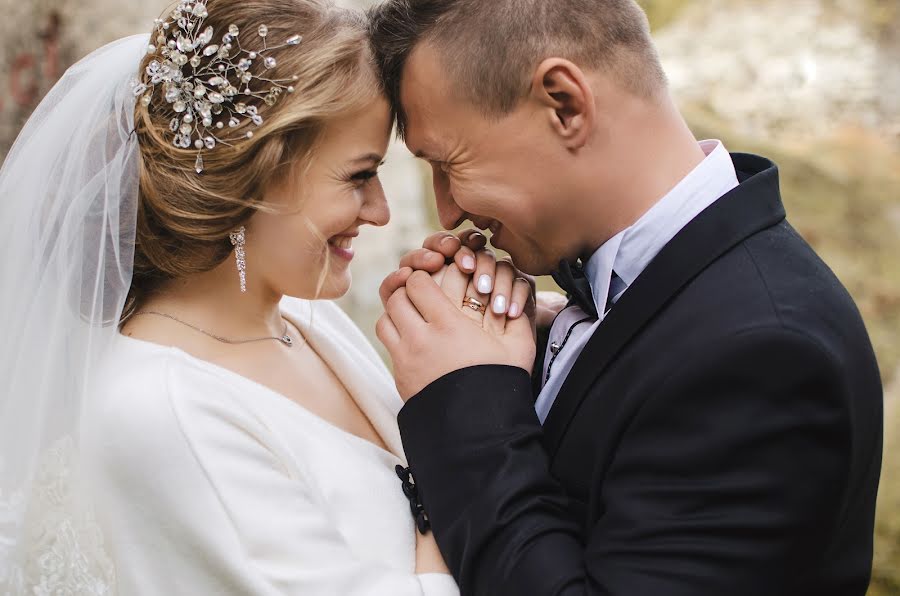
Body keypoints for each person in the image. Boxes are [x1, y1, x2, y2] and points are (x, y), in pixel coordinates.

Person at [0, 0, 530, 593]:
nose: (381, 211)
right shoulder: (162, 412)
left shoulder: (304, 317)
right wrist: (468, 440)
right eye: (358, 176)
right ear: (254, 179)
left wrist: (491, 334)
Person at [369, 1, 884, 595]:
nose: (449, 212)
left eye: (448, 163)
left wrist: (466, 397)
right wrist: (530, 351)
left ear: (564, 104)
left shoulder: (767, 354)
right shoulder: (661, 300)